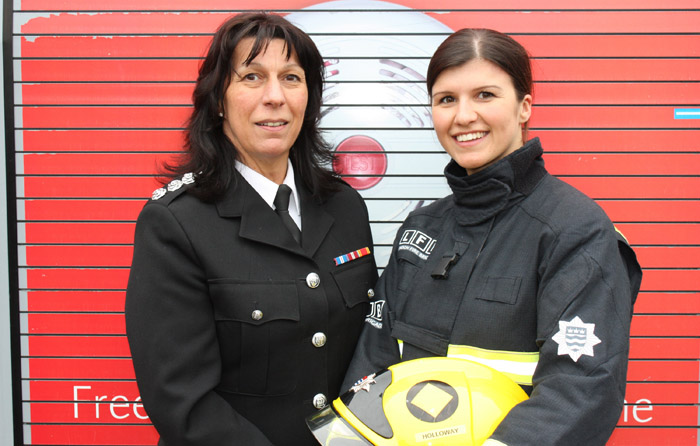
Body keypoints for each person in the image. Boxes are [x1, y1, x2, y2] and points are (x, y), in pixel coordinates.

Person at [343, 28, 642, 445]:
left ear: (524, 107)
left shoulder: (573, 230)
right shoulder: (421, 228)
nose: (464, 116)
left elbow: (581, 389)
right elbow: (372, 360)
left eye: (485, 95)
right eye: (446, 99)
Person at [125, 12, 377, 446]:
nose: (275, 96)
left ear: (309, 99)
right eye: (253, 77)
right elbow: (182, 401)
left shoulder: (346, 206)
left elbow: (371, 349)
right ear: (219, 99)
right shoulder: (176, 223)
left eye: (291, 78)